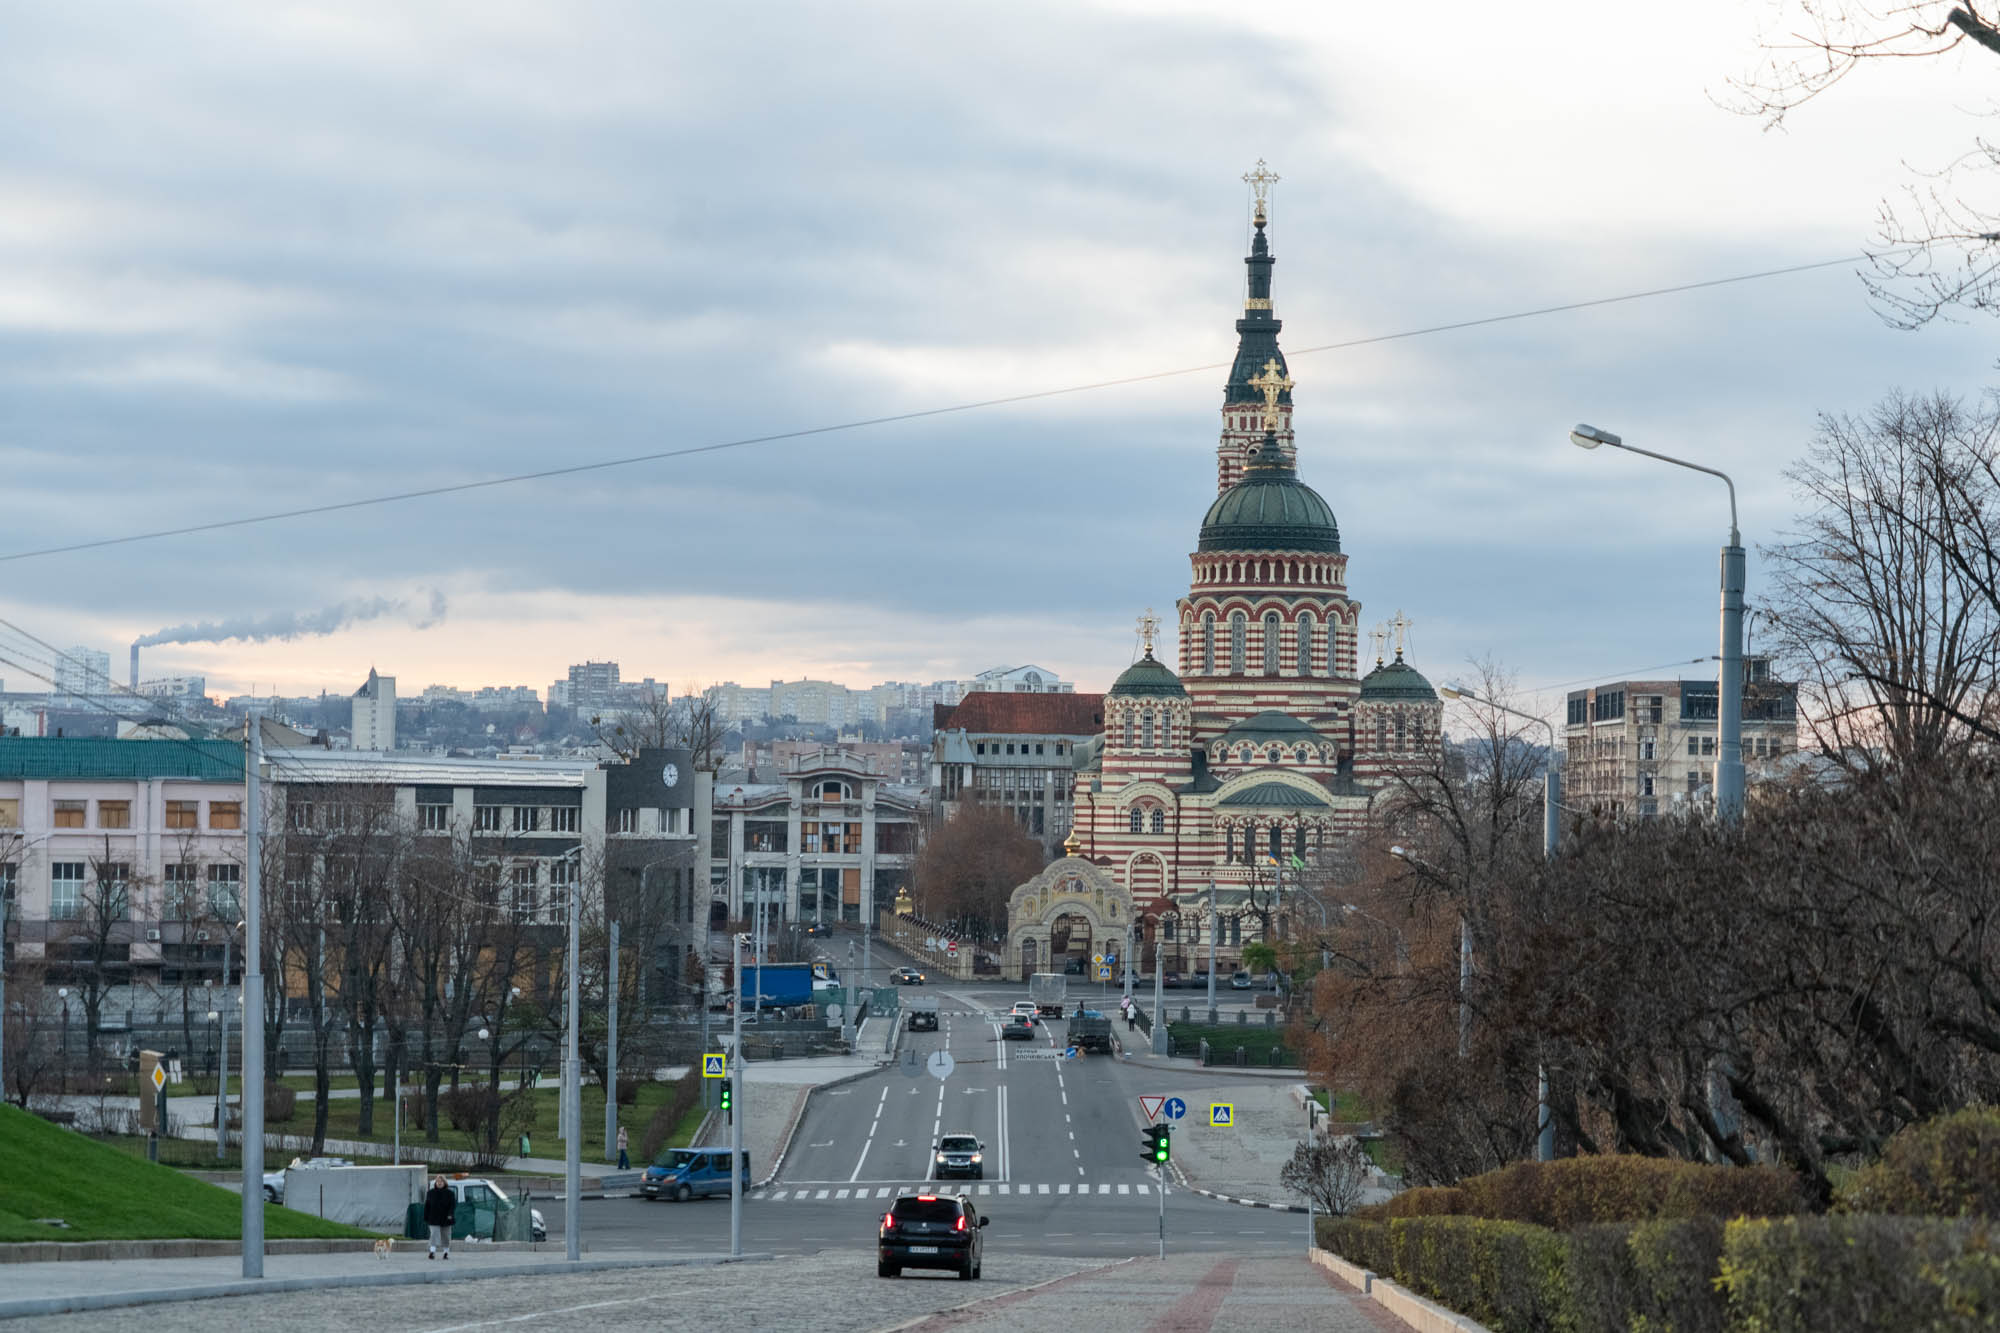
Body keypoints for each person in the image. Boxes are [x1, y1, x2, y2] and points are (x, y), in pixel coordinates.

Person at [424, 1175, 456, 1260]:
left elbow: (452, 1206)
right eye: (438, 1181)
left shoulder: (450, 1193)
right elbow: (427, 1206)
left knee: (446, 1236)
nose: (439, 1183)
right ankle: (432, 1252)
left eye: (441, 1182)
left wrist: (450, 1215)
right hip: (433, 1217)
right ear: (435, 1183)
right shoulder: (430, 1193)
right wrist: (426, 1216)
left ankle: (446, 1253)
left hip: (446, 1218)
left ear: (444, 1183)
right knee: (434, 1234)